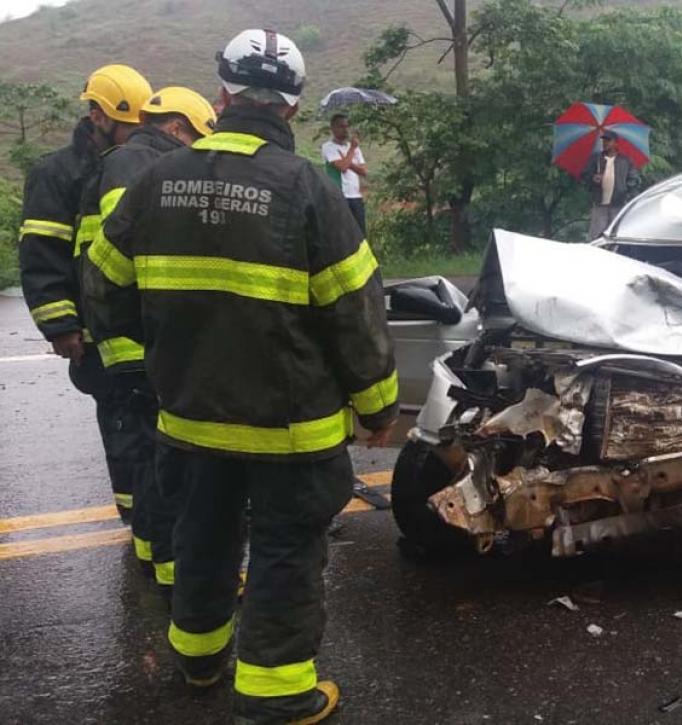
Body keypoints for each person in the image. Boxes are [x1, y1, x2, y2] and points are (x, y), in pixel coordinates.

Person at [89, 29, 398, 723]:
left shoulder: (154, 181)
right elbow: (356, 311)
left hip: (188, 416)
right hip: (290, 429)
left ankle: (198, 659)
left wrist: (165, 347)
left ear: (222, 96)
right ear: (293, 107)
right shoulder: (307, 190)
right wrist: (378, 405)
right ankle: (276, 691)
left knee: (201, 533)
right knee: (286, 548)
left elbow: (103, 286)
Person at [83, 86, 217, 589]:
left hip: (129, 335)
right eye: (197, 139)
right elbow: (132, 254)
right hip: (142, 338)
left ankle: (150, 554)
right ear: (178, 128)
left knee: (147, 456)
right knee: (166, 460)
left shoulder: (125, 161)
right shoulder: (141, 167)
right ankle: (172, 570)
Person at [18, 64, 152, 523]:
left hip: (136, 324)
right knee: (122, 425)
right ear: (98, 116)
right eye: (130, 128)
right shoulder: (57, 173)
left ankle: (152, 518)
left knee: (147, 426)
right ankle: (139, 521)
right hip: (92, 331)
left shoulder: (132, 165)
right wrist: (61, 326)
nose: (137, 139)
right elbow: (42, 254)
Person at [584, 130, 639, 241]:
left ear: (615, 143)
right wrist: (593, 178)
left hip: (618, 204)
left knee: (616, 235)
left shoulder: (625, 160)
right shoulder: (596, 159)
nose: (605, 143)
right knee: (596, 235)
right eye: (604, 140)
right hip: (599, 203)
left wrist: (625, 191)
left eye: (608, 140)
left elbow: (634, 179)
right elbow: (585, 176)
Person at [321, 112, 368, 236]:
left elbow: (364, 171)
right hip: (340, 195)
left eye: (347, 126)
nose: (345, 130)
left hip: (356, 196)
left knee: (360, 234)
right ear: (333, 128)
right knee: (342, 234)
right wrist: (351, 150)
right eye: (341, 126)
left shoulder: (355, 147)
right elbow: (342, 167)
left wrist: (348, 160)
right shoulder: (328, 147)